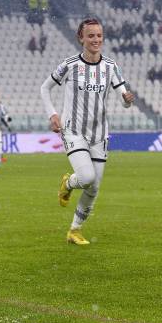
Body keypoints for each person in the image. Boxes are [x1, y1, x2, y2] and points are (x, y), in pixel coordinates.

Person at [40, 17, 135, 245]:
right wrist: (52, 114)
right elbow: (45, 88)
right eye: (91, 35)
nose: (96, 40)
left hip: (99, 134)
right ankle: (68, 183)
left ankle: (75, 230)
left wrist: (127, 100)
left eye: (99, 35)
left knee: (94, 188)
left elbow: (124, 98)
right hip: (73, 130)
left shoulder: (110, 66)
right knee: (86, 177)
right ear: (81, 38)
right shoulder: (70, 65)